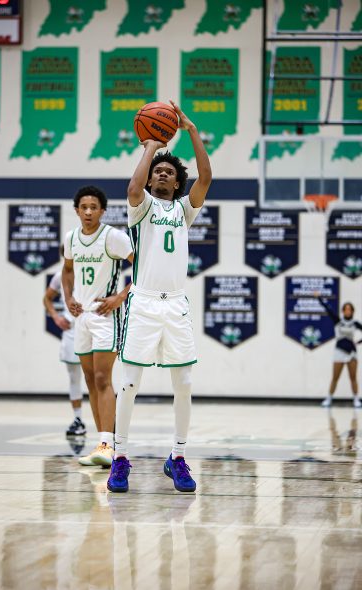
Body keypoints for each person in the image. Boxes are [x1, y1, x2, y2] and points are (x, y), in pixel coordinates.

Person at [107, 100, 212, 494]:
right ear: (152, 181)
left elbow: (206, 176)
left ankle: (178, 457)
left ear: (176, 182)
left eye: (170, 172)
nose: (164, 175)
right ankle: (120, 458)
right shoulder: (143, 207)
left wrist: (192, 131)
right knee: (130, 383)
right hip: (145, 302)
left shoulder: (185, 210)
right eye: (158, 172)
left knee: (183, 381)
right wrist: (150, 146)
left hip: (177, 303)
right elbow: (132, 188)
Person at [62, 185, 133, 466]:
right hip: (82, 317)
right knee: (91, 381)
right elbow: (67, 270)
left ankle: (108, 444)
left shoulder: (113, 237)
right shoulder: (71, 238)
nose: (89, 211)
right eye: (84, 207)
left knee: (104, 378)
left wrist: (120, 297)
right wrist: (68, 298)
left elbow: (142, 266)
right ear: (77, 210)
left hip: (106, 316)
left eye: (94, 207)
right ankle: (103, 444)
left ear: (102, 211)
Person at [43, 248, 85, 438]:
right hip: (71, 332)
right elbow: (47, 299)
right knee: (74, 377)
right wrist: (56, 317)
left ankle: (110, 421)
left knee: (100, 377)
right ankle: (78, 419)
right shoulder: (60, 276)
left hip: (92, 328)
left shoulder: (92, 268)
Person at [315, 293, 362, 408]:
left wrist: (359, 342)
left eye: (349, 309)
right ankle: (329, 399)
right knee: (335, 377)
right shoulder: (338, 321)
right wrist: (319, 297)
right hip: (339, 352)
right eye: (345, 309)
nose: (347, 311)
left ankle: (356, 399)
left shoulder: (355, 323)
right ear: (343, 311)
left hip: (351, 352)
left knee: (353, 377)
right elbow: (327, 308)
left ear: (352, 311)